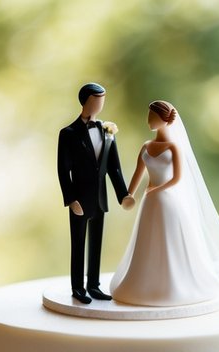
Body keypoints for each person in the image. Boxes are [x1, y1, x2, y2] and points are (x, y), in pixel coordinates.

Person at [110, 100, 219, 307]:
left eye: (152, 117)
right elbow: (138, 173)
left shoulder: (173, 148)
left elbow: (176, 178)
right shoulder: (146, 146)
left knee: (169, 240)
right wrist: (129, 194)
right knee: (147, 241)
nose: (149, 121)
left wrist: (156, 189)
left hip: (166, 200)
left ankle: (173, 285)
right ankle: (145, 283)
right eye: (148, 117)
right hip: (149, 202)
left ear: (163, 120)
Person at [57, 82, 134, 305]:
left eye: (103, 99)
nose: (100, 104)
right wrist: (71, 199)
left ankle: (93, 284)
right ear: (86, 101)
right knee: (78, 244)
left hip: (100, 199)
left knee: (96, 244)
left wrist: (123, 195)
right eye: (96, 99)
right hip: (80, 199)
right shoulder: (68, 134)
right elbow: (63, 170)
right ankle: (78, 287)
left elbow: (114, 168)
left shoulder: (107, 131)